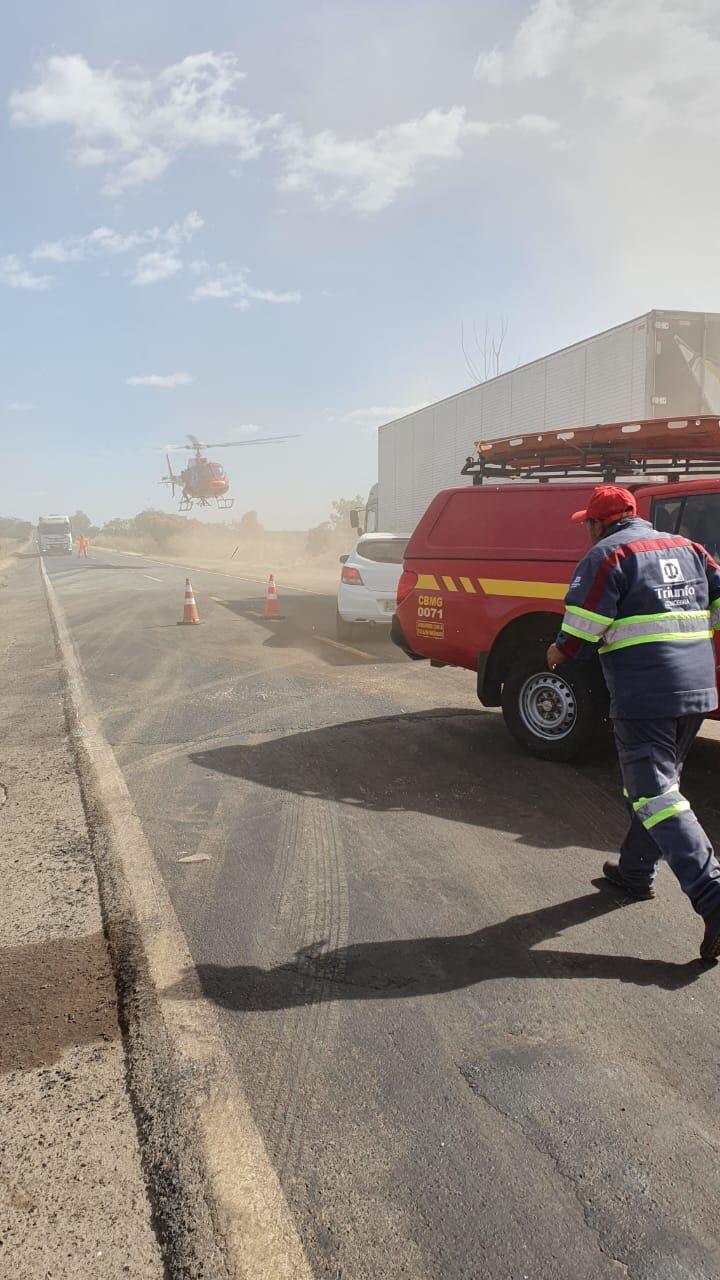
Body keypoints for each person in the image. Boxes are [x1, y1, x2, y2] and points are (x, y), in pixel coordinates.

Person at [546, 484, 720, 961]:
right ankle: (635, 872)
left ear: (598, 522)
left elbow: (583, 624)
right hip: (697, 689)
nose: (586, 530)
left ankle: (714, 896)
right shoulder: (690, 549)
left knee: (653, 792)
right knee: (658, 785)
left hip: (646, 693)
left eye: (588, 523)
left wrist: (560, 650)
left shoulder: (608, 554)